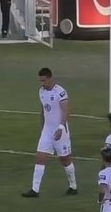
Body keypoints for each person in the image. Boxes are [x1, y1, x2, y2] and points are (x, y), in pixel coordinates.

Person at [23, 68, 79, 197]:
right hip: (47, 131)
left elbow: (65, 111)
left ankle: (73, 186)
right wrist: (42, 127)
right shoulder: (41, 91)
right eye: (40, 81)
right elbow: (43, 110)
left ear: (50, 78)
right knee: (40, 157)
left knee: (65, 159)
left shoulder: (60, 92)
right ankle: (35, 190)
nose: (42, 83)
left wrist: (61, 128)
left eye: (44, 80)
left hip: (61, 131)